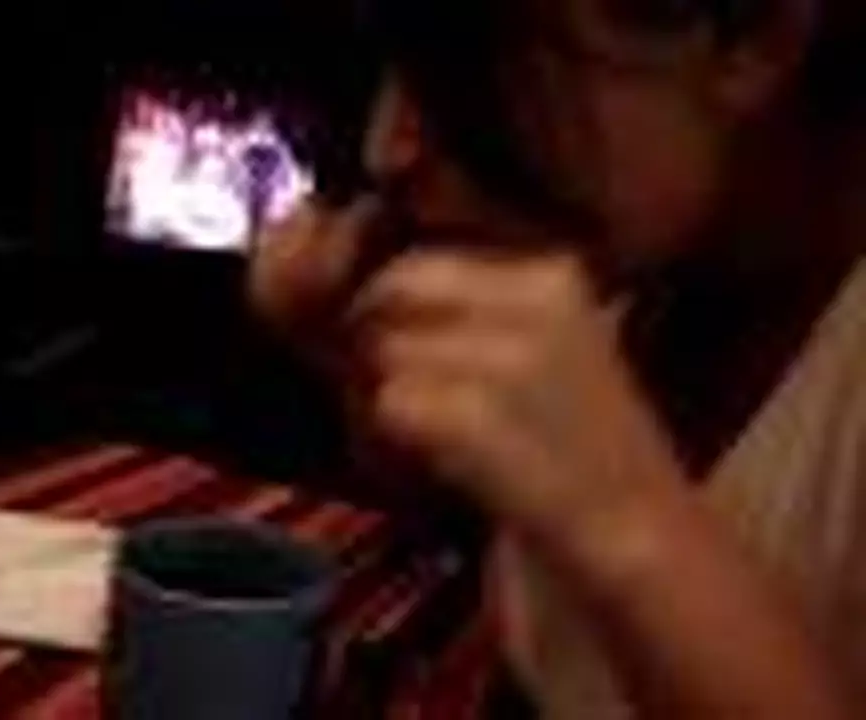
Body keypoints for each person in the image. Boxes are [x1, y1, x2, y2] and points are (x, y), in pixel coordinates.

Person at [249, 0, 865, 717]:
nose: (386, 149)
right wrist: (357, 362)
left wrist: (630, 522)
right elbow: (465, 515)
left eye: (471, 66)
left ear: (757, 35)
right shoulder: (632, 258)